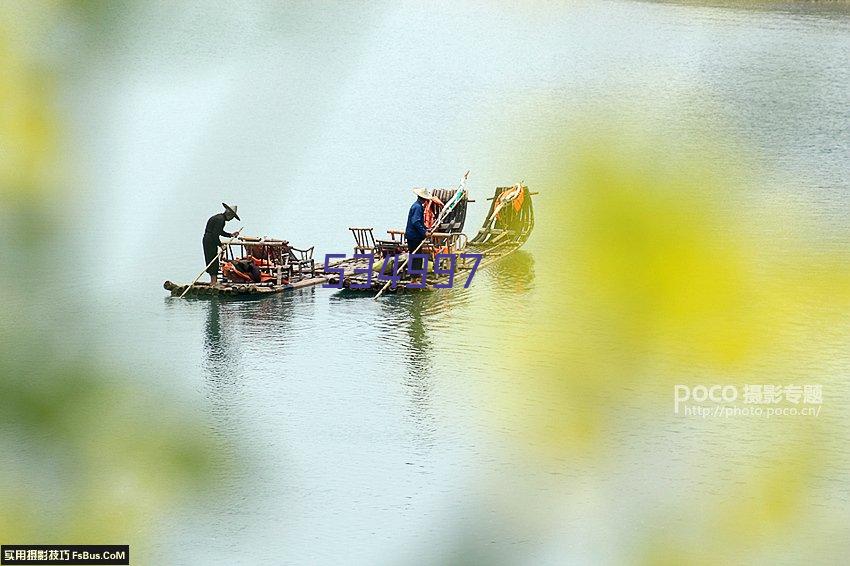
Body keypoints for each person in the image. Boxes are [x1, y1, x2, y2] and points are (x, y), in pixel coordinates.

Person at [203, 203, 241, 285]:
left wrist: (231, 235)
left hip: (208, 239)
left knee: (211, 259)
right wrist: (221, 245)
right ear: (229, 215)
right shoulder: (221, 220)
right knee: (213, 260)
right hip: (210, 240)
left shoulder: (218, 217)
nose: (231, 219)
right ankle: (213, 282)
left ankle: (213, 281)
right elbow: (215, 234)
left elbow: (219, 232)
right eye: (232, 217)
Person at [405, 188, 431, 284]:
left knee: (416, 256)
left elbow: (419, 222)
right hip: (414, 236)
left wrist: (425, 229)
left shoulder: (417, 205)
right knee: (416, 256)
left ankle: (415, 277)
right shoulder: (418, 207)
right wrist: (424, 233)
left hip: (413, 235)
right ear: (424, 199)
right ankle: (414, 280)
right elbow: (415, 222)